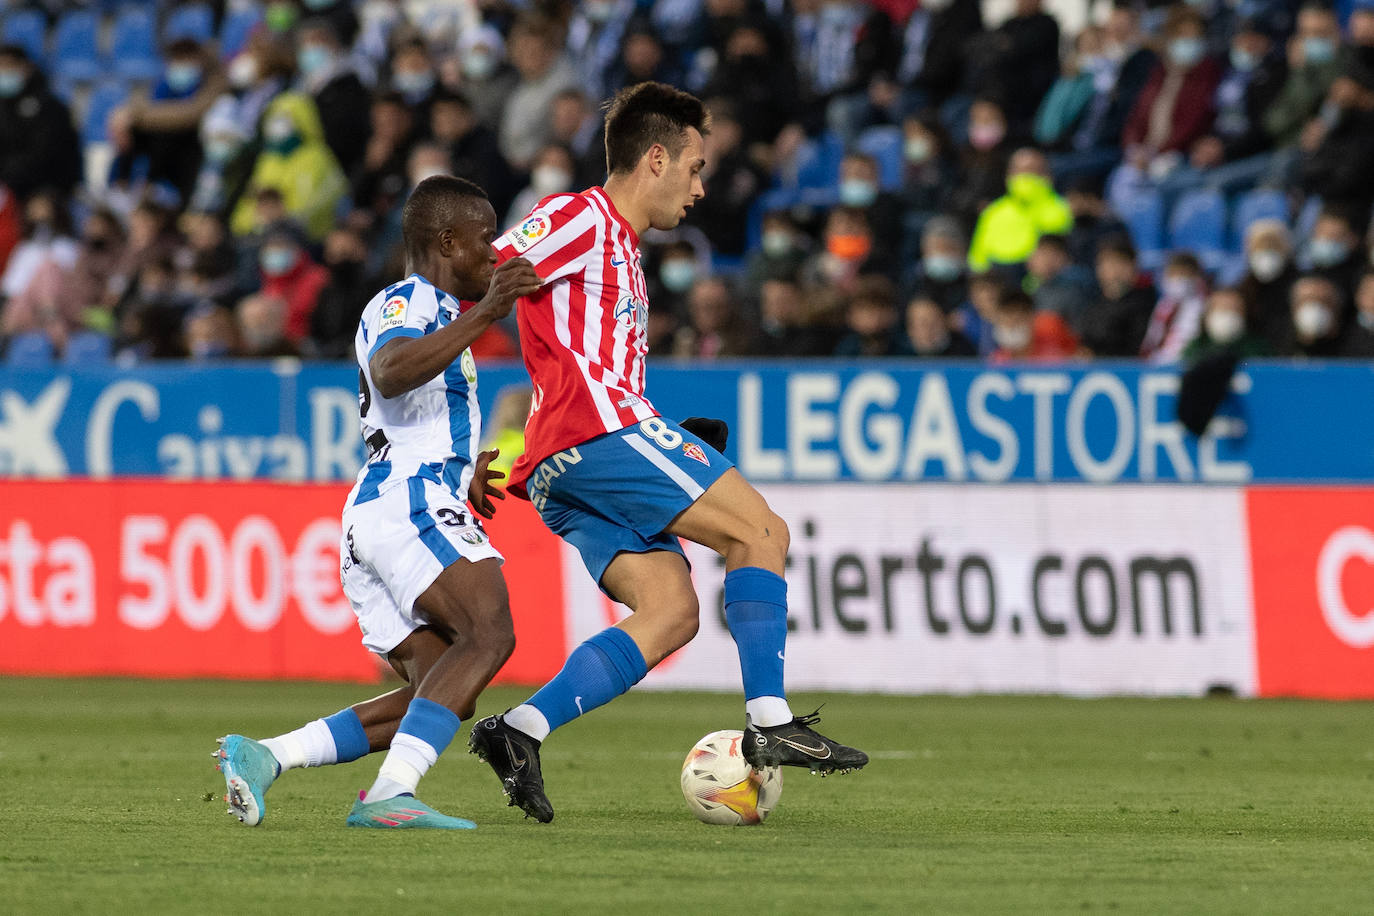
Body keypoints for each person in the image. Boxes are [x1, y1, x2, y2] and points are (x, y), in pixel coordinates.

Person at [471, 82, 868, 824]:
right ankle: (769, 719)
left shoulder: (620, 248)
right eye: (693, 166)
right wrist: (462, 431)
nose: (699, 185)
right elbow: (480, 276)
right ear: (654, 159)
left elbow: (575, 359)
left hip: (567, 467)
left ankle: (519, 730)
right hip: (597, 437)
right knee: (762, 533)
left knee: (672, 611)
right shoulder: (578, 218)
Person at [213, 175, 543, 830]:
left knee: (441, 688)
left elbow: (406, 413)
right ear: (446, 240)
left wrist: (460, 475)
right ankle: (391, 795)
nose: (495, 256)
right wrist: (487, 313)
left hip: (393, 504)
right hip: (403, 501)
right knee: (490, 632)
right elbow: (391, 371)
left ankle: (265, 756)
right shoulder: (407, 300)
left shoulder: (437, 313)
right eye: (485, 240)